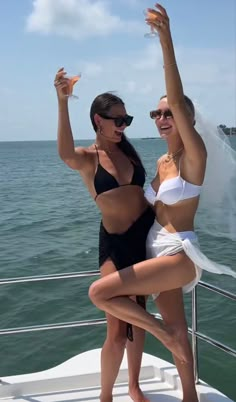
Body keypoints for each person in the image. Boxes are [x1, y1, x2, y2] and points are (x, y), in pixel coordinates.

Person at [89, 4, 236, 402]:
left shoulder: (194, 156)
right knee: (180, 334)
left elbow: (175, 92)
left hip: (177, 252)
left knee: (100, 294)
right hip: (153, 251)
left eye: (170, 111)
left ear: (187, 118)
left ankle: (158, 332)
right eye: (156, 112)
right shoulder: (160, 162)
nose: (161, 116)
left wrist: (165, 40)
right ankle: (190, 397)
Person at [54, 71, 155, 402]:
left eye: (127, 119)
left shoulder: (129, 152)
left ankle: (135, 386)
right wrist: (62, 101)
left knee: (138, 320)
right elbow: (65, 152)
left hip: (144, 238)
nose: (124, 126)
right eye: (119, 120)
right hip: (115, 243)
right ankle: (106, 395)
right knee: (116, 326)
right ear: (98, 120)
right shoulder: (87, 159)